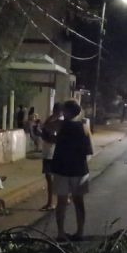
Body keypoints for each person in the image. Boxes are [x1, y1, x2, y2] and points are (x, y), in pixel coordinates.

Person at [51, 100, 93, 241]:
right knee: (79, 202)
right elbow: (89, 150)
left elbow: (46, 129)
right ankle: (80, 232)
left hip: (62, 169)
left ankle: (61, 233)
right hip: (80, 169)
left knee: (61, 203)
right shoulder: (84, 126)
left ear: (67, 111)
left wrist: (55, 115)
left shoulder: (61, 125)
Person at [40, 103, 64, 211]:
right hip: (49, 153)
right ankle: (54, 201)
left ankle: (52, 202)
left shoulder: (58, 122)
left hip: (53, 153)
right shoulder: (50, 120)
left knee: (51, 178)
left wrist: (47, 135)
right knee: (51, 178)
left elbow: (52, 138)